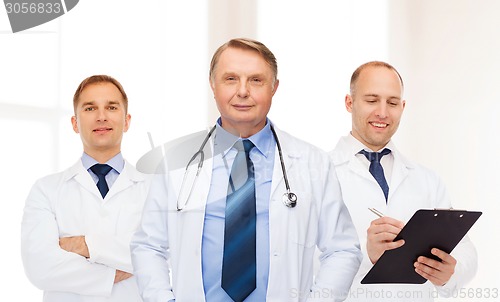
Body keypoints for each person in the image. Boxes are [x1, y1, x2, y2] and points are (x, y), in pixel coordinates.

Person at [130, 38, 362, 302]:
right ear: (212, 85)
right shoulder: (175, 164)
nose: (242, 91)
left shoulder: (312, 163)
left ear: (274, 87)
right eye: (230, 79)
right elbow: (148, 246)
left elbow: (342, 250)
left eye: (256, 80)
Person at [329, 61, 478, 301]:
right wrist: (366, 254)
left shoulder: (427, 179)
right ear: (349, 102)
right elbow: (294, 262)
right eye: (371, 100)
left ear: (403, 106)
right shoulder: (318, 175)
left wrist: (451, 271)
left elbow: (466, 251)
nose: (382, 112)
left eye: (392, 102)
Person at [21, 75, 150, 301]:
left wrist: (84, 244)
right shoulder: (46, 191)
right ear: (75, 123)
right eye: (90, 108)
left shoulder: (154, 189)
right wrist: (114, 272)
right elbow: (39, 267)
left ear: (127, 120)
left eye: (111, 107)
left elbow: (160, 255)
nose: (101, 117)